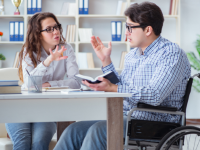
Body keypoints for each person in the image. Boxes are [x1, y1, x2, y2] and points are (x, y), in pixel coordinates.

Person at [53, 2, 191, 150]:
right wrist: (106, 61)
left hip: (157, 122)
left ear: (148, 30)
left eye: (130, 27)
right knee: (73, 131)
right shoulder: (133, 55)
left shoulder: (171, 53)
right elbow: (122, 85)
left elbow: (155, 95)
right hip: (129, 116)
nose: (126, 33)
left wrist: (113, 88)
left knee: (98, 131)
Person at [5, 12, 80, 150]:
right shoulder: (28, 51)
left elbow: (75, 82)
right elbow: (29, 84)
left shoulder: (66, 49)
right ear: (38, 34)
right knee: (22, 144)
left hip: (47, 110)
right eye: (49, 29)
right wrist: (48, 61)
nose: (56, 31)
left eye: (57, 27)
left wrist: (50, 84)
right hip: (20, 108)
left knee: (39, 144)